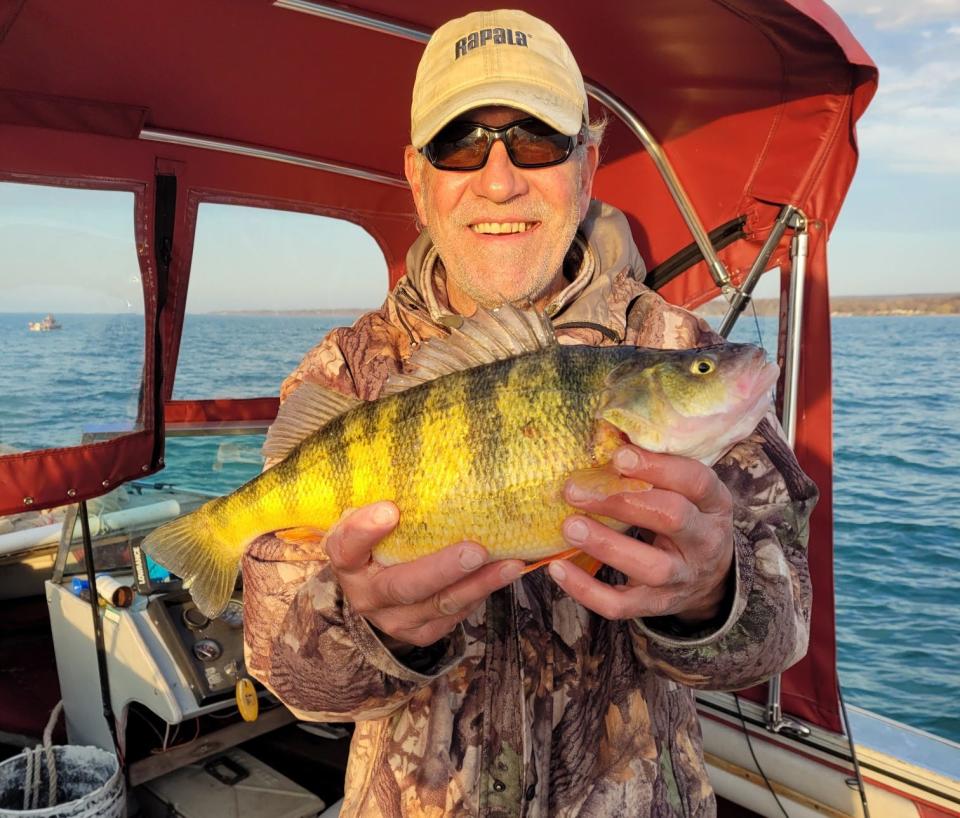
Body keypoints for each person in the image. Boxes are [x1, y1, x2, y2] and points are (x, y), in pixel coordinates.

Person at [242, 9, 817, 817]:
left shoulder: (679, 350)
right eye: (460, 144)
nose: (500, 178)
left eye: (537, 140)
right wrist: (378, 629)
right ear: (417, 174)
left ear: (587, 165)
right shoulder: (344, 376)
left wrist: (711, 592)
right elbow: (281, 667)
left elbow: (785, 625)